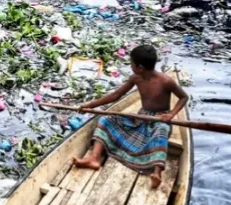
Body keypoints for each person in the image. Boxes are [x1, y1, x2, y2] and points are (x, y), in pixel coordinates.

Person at [71, 44, 189, 188]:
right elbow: (116, 95)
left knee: (161, 131)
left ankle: (157, 172)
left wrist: (171, 114)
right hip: (142, 117)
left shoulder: (166, 81)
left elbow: (183, 97)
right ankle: (94, 158)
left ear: (140, 67)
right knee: (106, 120)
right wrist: (91, 105)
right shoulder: (136, 78)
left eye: (131, 63)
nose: (130, 66)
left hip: (159, 119)